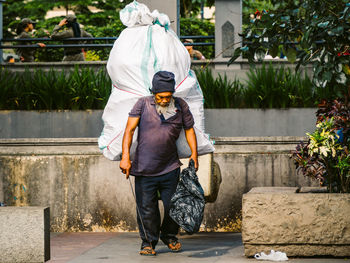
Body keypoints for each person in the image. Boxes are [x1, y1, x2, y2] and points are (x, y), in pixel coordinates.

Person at [119, 71, 198, 256]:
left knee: (174, 206)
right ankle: (148, 242)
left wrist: (194, 154)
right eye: (160, 97)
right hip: (144, 168)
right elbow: (129, 131)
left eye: (168, 97)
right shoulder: (143, 104)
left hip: (170, 167)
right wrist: (125, 157)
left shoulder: (180, 105)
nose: (164, 100)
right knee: (147, 208)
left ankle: (169, 236)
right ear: (153, 93)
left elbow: (190, 130)